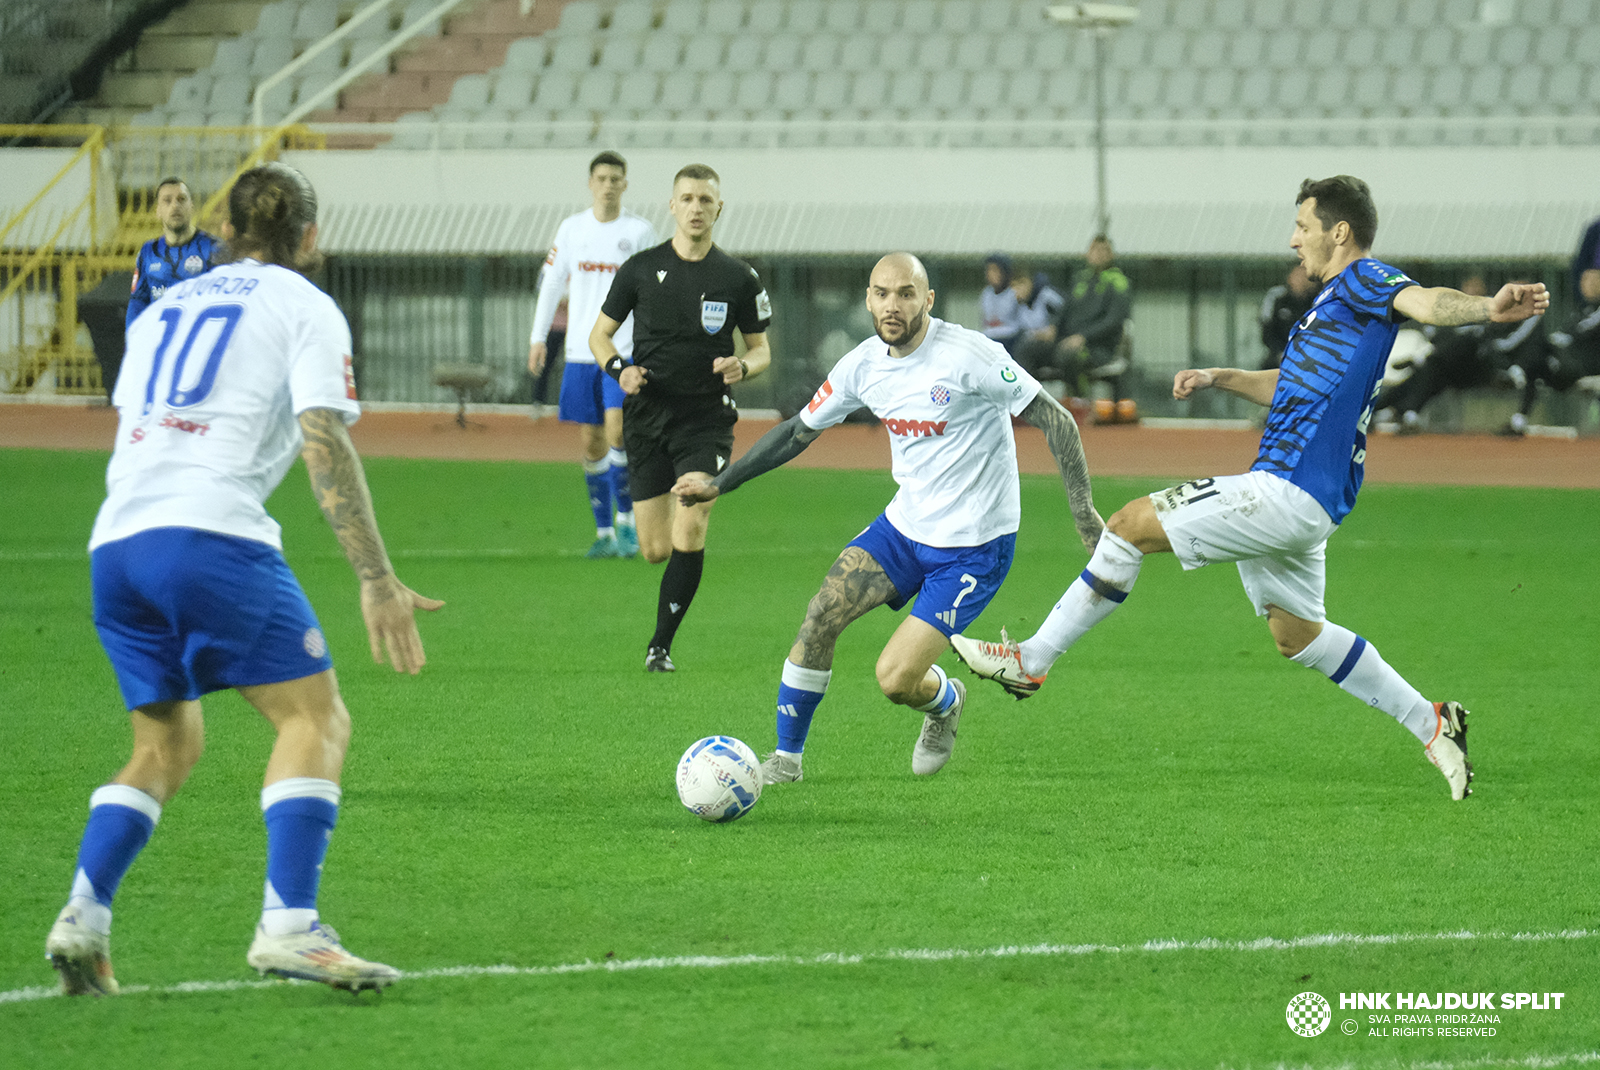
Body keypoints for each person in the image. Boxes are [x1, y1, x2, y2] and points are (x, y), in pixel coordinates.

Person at [951, 176, 1549, 803]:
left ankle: (1032, 662)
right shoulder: (1330, 308)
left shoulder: (1367, 280)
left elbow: (1426, 303)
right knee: (1297, 635)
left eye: (1303, 226)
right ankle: (1434, 722)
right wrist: (1222, 376)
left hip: (1288, 487)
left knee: (1126, 526)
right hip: (1306, 496)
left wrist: (1486, 307)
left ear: (1338, 232)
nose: (1294, 240)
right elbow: (1289, 384)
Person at [44, 162, 442, 997]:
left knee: (165, 743)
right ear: (307, 237)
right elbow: (321, 438)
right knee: (314, 716)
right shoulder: (304, 306)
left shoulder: (158, 311)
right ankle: (290, 927)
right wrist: (375, 577)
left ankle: (83, 916)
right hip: (210, 533)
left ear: (224, 229)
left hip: (116, 543)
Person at [672, 253, 1103, 783]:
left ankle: (944, 701)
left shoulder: (971, 356)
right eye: (881, 294)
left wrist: (1083, 512)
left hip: (975, 547)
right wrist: (720, 482)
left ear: (928, 300)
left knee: (895, 680)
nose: (891, 305)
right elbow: (796, 432)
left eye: (904, 293)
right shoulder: (862, 365)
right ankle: (786, 762)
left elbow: (1056, 420)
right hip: (903, 528)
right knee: (821, 614)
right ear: (868, 300)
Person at [590, 163, 772, 673]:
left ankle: (659, 647)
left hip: (706, 420)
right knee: (654, 549)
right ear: (672, 206)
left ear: (719, 208)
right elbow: (598, 336)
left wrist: (743, 365)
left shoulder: (738, 277)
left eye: (705, 200)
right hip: (647, 417)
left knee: (692, 520)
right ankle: (666, 602)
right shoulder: (641, 269)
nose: (696, 207)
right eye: (687, 198)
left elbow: (761, 351)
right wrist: (618, 370)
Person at [528, 151, 659, 558]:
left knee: (619, 432)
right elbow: (551, 284)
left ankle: (627, 526)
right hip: (581, 353)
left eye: (615, 179)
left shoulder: (639, 232)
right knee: (592, 443)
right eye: (601, 178)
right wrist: (537, 338)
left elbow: (654, 292)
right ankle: (603, 533)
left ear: (625, 185)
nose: (608, 185)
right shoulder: (572, 230)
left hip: (622, 353)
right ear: (590, 183)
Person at [1373, 273, 1501, 434]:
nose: (1472, 292)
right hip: (1445, 369)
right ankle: (1400, 412)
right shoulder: (1454, 313)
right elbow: (1436, 336)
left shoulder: (1488, 314)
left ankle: (1386, 410)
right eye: (1469, 287)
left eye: (1477, 288)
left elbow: (1480, 345)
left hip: (1471, 369)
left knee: (1431, 366)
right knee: (1426, 374)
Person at [1501, 268, 1600, 437]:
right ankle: (1518, 422)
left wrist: (1560, 339)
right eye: (1583, 281)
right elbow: (1569, 333)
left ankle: (1516, 371)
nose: (1584, 285)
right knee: (1536, 365)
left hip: (1584, 367)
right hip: (1567, 366)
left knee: (1540, 343)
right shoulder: (1581, 310)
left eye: (1591, 281)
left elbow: (1579, 332)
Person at [1052, 234, 1134, 421]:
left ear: (1111, 254)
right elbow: (1064, 312)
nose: (1098, 255)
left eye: (1104, 251)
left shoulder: (1118, 282)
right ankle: (1025, 410)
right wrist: (1052, 329)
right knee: (1029, 348)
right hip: (1070, 341)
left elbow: (1114, 321)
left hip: (1100, 347)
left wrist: (1083, 337)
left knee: (1071, 356)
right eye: (1094, 250)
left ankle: (1081, 404)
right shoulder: (1080, 280)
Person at [126, 177, 220, 331]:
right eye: (167, 201)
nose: (175, 205)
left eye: (181, 199)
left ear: (191, 206)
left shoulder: (213, 249)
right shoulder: (148, 252)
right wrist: (133, 340)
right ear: (158, 211)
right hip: (159, 344)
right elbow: (137, 301)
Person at [1259, 262, 1317, 370]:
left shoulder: (1318, 300)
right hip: (1279, 356)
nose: (1302, 280)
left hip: (1309, 357)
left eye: (1305, 276)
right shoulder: (1277, 297)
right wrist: (1281, 353)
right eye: (1298, 275)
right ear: (1290, 277)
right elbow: (1267, 330)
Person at [1011, 268, 1066, 378]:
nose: (1017, 290)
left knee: (1023, 351)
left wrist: (1054, 328)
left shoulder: (1047, 295)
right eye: (1014, 286)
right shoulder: (1020, 306)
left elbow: (1066, 313)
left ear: (1031, 282)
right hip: (1037, 345)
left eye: (1021, 284)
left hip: (1058, 341)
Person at [979, 253, 1023, 354]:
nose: (990, 274)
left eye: (995, 270)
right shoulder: (986, 293)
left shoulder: (1014, 293)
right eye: (988, 270)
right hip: (990, 336)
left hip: (1011, 338)